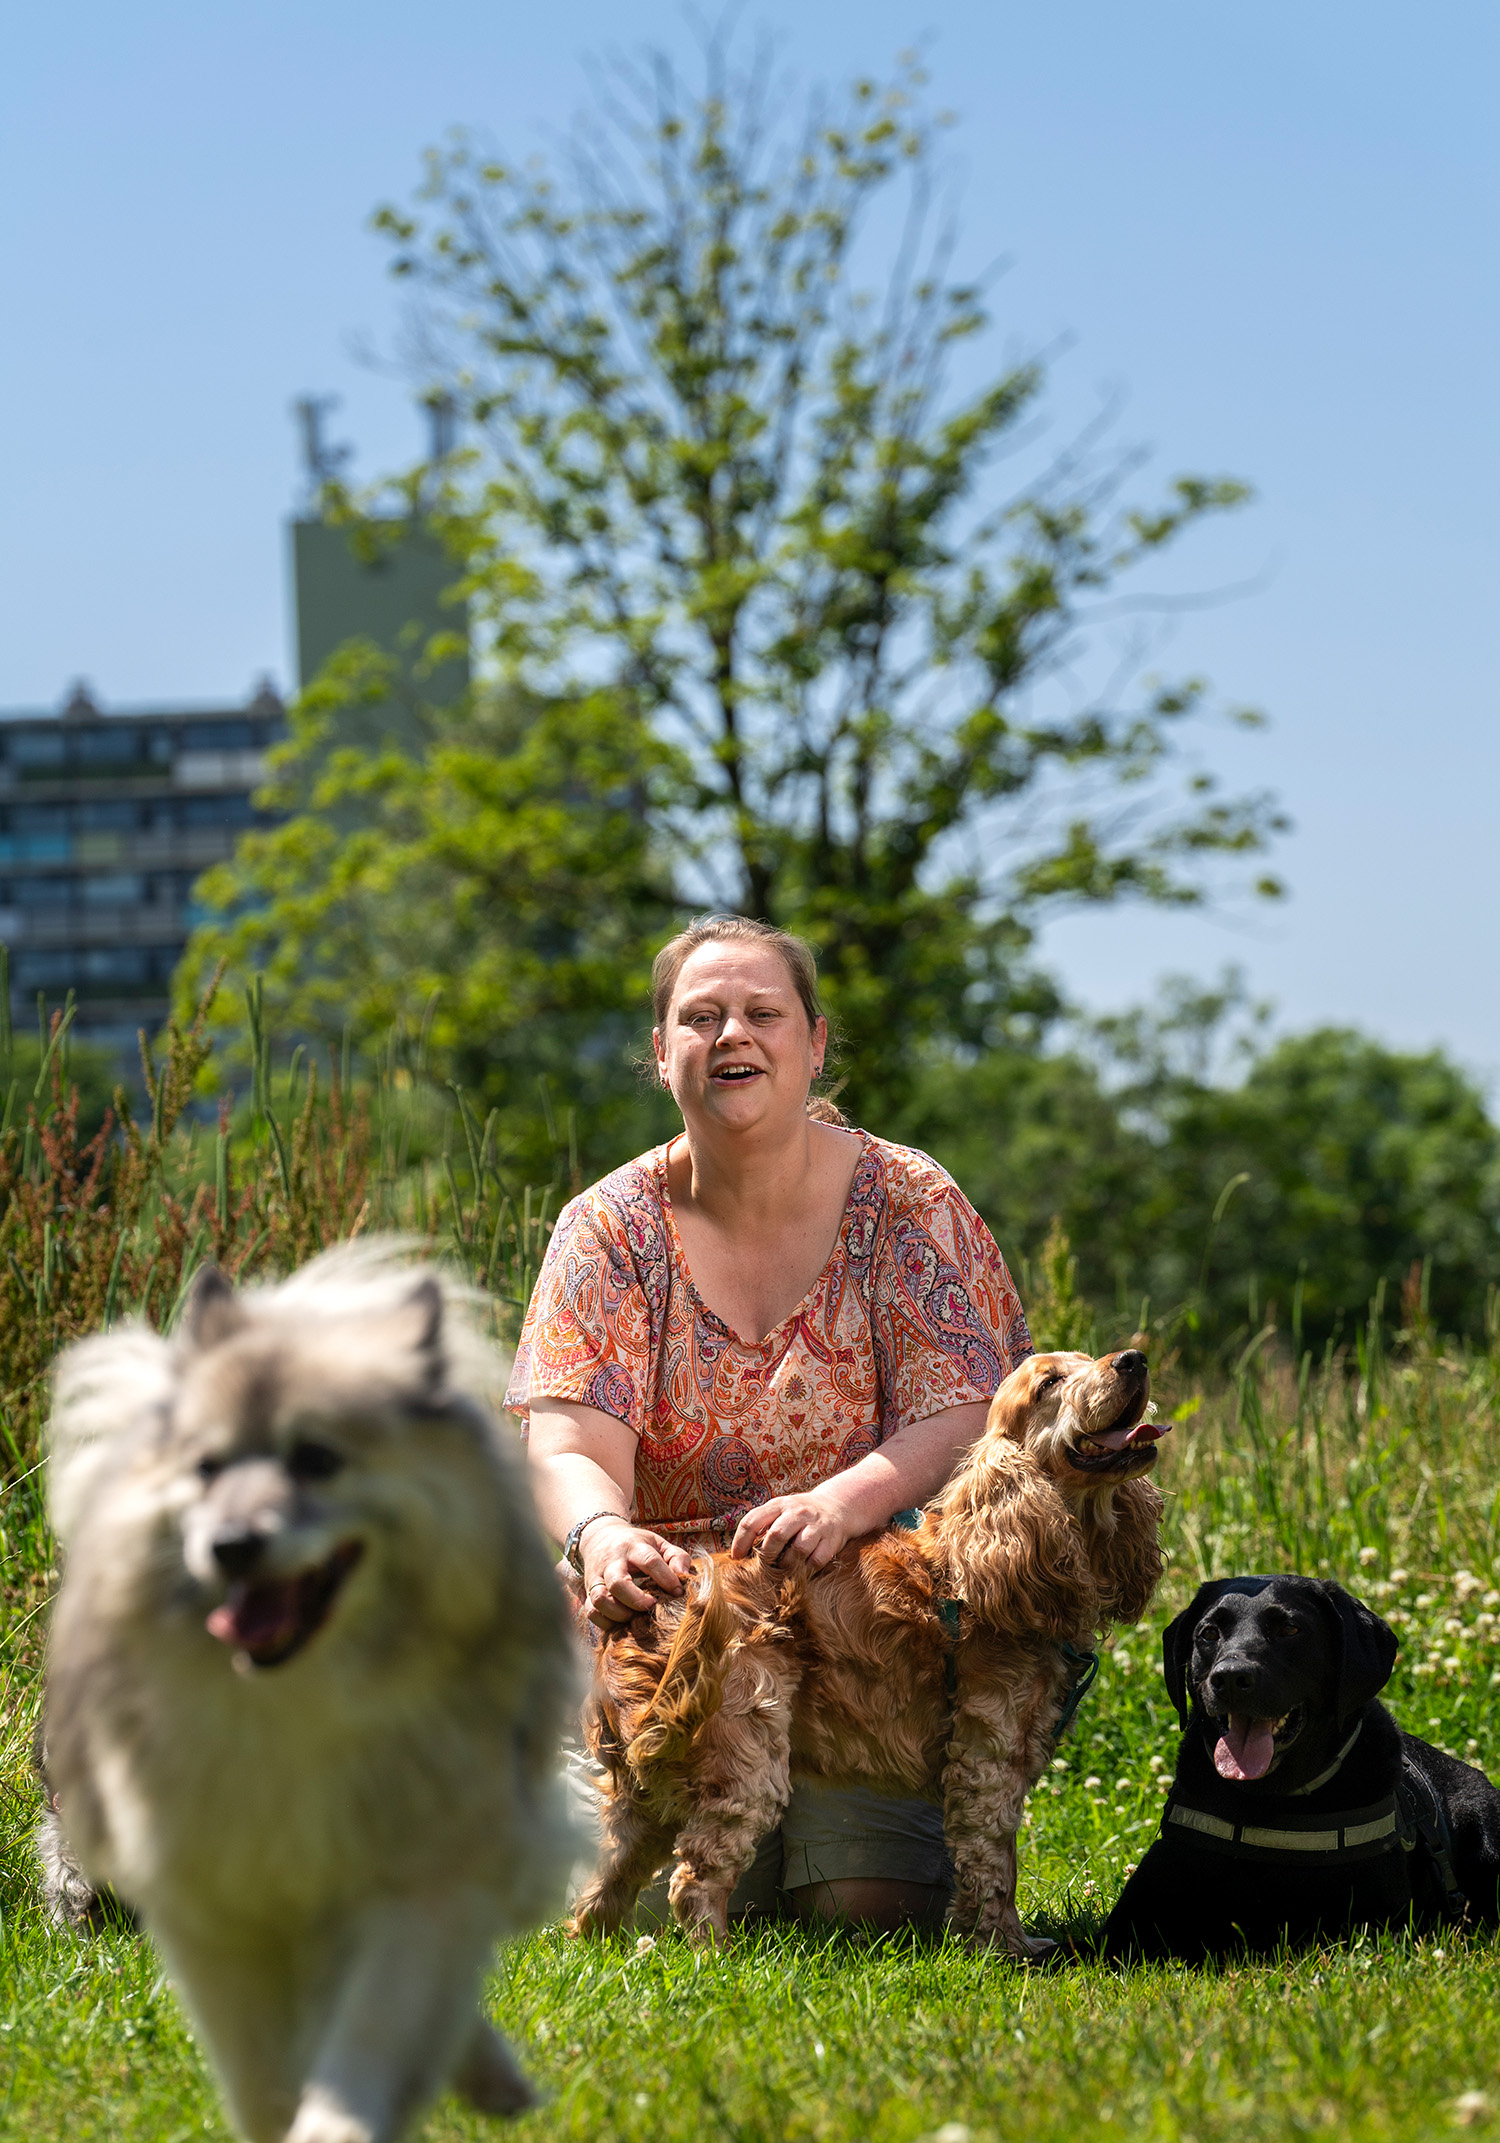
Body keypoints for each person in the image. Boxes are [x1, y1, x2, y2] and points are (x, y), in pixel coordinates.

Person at [509, 915, 1033, 1930]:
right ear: (662, 1055)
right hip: (678, 1632)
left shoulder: (910, 1198)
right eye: (700, 1017)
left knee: (865, 1908)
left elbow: (971, 1405)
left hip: (860, 1635)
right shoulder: (606, 1227)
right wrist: (600, 1535)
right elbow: (566, 1439)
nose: (732, 1035)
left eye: (762, 1012)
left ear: (816, 1041)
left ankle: (831, 1827)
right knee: (667, 1906)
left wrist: (844, 1504)